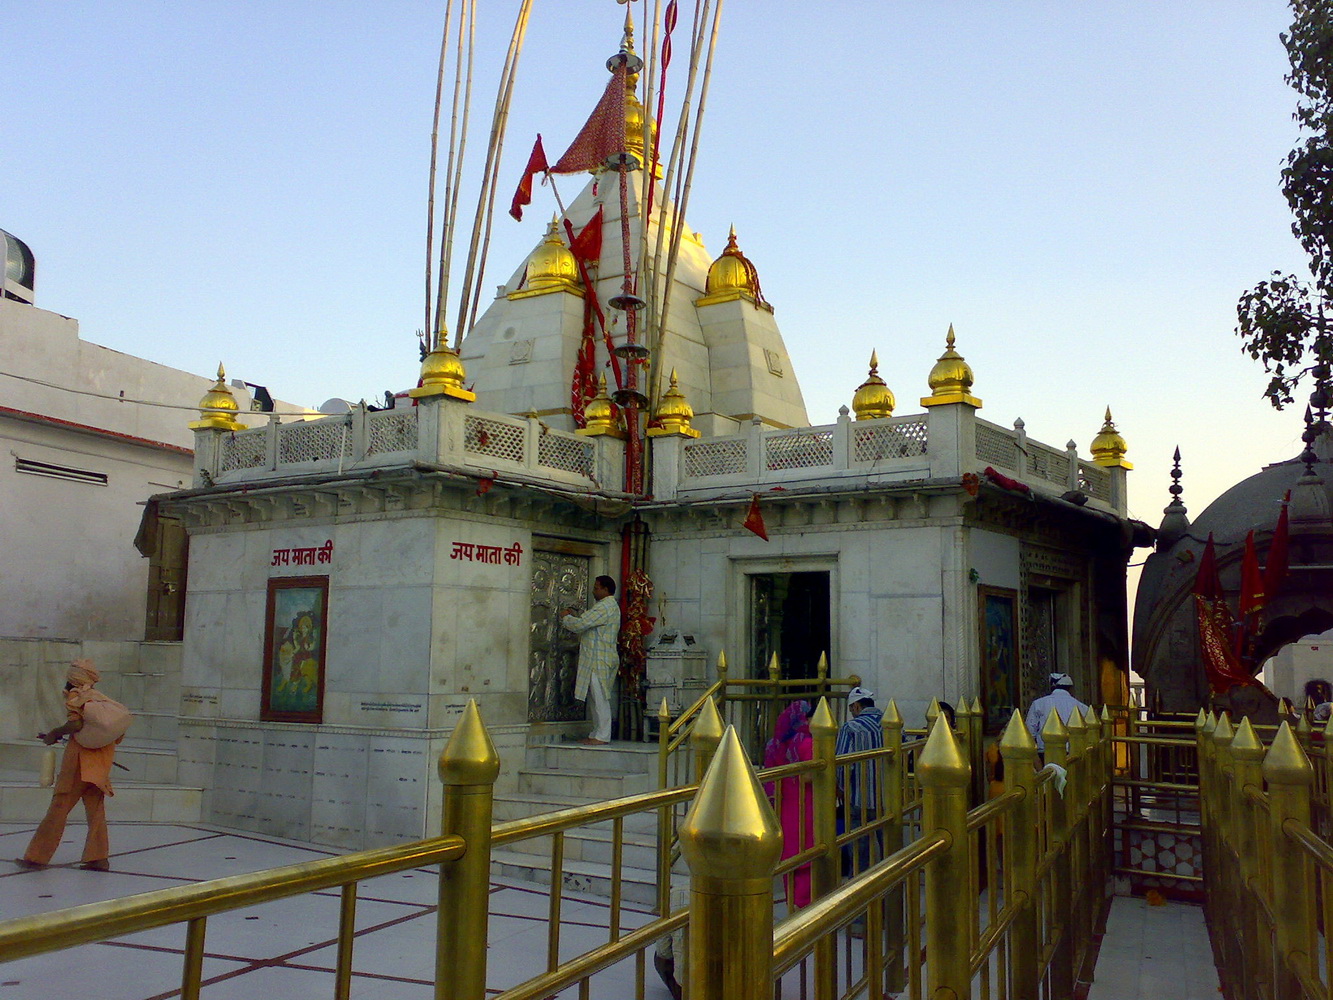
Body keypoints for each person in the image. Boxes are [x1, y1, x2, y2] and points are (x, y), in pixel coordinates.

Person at [16, 660, 120, 871]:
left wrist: (54, 733)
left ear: (74, 678)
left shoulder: (77, 695)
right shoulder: (100, 698)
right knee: (96, 810)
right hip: (99, 762)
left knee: (59, 806)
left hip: (79, 762)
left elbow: (76, 724)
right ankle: (98, 858)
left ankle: (36, 857)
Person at [765, 699, 815, 910]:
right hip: (806, 804)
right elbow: (810, 775)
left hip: (784, 806)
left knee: (791, 854)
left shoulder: (774, 745)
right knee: (809, 852)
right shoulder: (807, 742)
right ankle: (806, 907)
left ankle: (791, 903)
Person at [561, 575, 622, 745]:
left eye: (596, 588)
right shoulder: (606, 606)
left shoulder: (605, 606)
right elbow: (587, 621)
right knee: (595, 698)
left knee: (600, 697)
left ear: (606, 590)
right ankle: (596, 733)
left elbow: (581, 624)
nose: (593, 591)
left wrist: (566, 617)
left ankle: (602, 735)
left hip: (599, 659)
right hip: (597, 659)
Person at [836, 685, 884, 876]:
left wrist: (841, 788)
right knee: (889, 849)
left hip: (858, 798)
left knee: (858, 853)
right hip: (887, 799)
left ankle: (859, 889)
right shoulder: (890, 724)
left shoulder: (851, 727)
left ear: (856, 706)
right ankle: (892, 889)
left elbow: (842, 764)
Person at [1025, 673, 1089, 755]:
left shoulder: (1038, 704)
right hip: (1074, 753)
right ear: (1070, 689)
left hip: (1045, 752)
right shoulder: (1082, 707)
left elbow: (1030, 731)